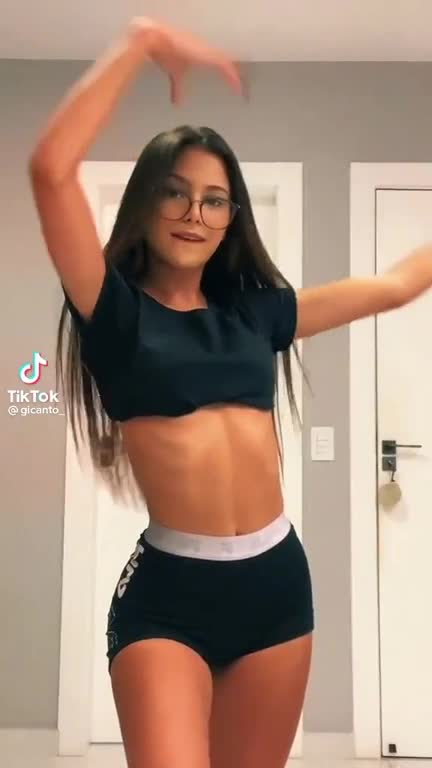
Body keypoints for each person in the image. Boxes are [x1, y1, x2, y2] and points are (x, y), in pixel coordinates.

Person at [29, 16, 432, 768]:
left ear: (230, 220)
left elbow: (396, 285)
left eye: (215, 200)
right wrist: (141, 42)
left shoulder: (258, 313)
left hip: (276, 586)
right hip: (168, 598)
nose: (194, 213)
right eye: (175, 193)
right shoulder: (114, 313)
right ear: (145, 202)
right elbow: (51, 170)